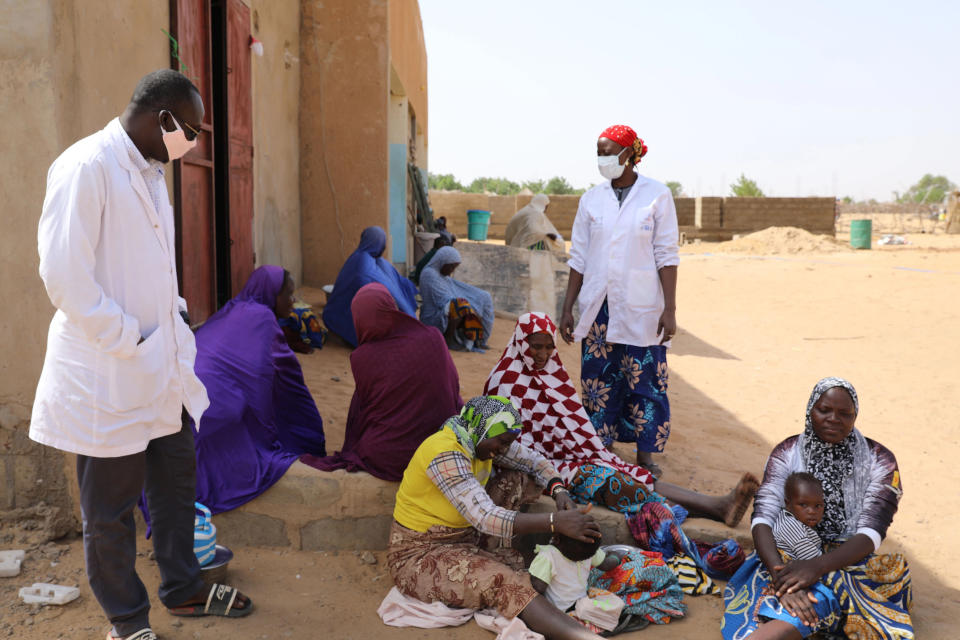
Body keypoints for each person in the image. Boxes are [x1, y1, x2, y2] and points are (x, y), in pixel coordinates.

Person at [31, 69, 251, 640]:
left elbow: (150, 264)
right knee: (109, 511)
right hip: (109, 371)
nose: (194, 143)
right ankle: (127, 622)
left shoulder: (151, 171)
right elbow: (63, 276)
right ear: (162, 120)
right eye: (192, 131)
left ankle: (183, 589)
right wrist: (128, 336)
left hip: (160, 367)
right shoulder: (88, 167)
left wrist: (172, 313)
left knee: (176, 485)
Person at [484, 313, 758, 529]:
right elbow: (514, 448)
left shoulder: (550, 372)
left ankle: (717, 505)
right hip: (536, 468)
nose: (543, 354)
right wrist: (557, 474)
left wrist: (592, 453)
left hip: (569, 458)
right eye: (535, 347)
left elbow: (572, 423)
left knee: (625, 469)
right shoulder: (505, 381)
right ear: (521, 343)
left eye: (547, 347)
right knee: (613, 482)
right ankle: (716, 507)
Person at [387, 396, 609, 640]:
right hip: (419, 553)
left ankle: (499, 570)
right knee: (502, 581)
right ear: (483, 430)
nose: (503, 450)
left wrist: (559, 491)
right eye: (502, 442)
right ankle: (584, 637)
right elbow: (484, 517)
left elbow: (536, 463)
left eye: (508, 444)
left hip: (467, 537)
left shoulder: (478, 438)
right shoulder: (443, 452)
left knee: (517, 478)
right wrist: (555, 522)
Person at [722, 378, 912, 640]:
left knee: (815, 602)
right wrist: (783, 579)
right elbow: (763, 517)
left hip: (848, 559)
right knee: (780, 601)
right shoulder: (787, 452)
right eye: (824, 410)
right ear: (810, 409)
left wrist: (815, 567)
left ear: (855, 415)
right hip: (784, 555)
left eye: (845, 413)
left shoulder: (880, 460)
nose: (834, 418)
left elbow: (872, 531)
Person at [559, 125, 678, 477]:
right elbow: (578, 257)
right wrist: (567, 307)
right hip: (599, 307)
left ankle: (646, 458)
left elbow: (666, 254)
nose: (601, 159)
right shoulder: (591, 200)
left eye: (608, 151)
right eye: (598, 151)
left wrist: (670, 308)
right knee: (599, 380)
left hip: (642, 308)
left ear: (629, 154)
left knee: (646, 381)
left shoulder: (657, 195)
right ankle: (602, 448)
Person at [192, 265, 326, 513]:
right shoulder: (263, 319)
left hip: (185, 404)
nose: (292, 300)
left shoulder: (231, 308)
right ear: (271, 293)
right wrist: (307, 433)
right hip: (213, 410)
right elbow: (285, 378)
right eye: (288, 293)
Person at [302, 283, 462, 481]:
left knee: (361, 405)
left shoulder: (362, 357)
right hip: (441, 448)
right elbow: (453, 389)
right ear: (391, 309)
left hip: (390, 459)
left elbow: (369, 408)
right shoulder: (433, 337)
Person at [322, 226, 418, 347]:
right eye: (383, 242)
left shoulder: (364, 257)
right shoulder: (364, 267)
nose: (384, 247)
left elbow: (393, 280)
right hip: (343, 317)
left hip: (336, 313)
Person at [419, 246, 494, 352]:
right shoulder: (429, 274)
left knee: (483, 297)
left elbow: (454, 291)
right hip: (433, 316)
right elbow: (441, 300)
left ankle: (479, 340)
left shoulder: (443, 276)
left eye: (454, 267)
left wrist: (473, 303)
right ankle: (448, 339)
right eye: (451, 267)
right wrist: (467, 305)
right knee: (460, 305)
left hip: (445, 309)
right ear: (442, 261)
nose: (452, 271)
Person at [529, 533, 623, 611]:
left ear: (556, 539)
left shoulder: (547, 555)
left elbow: (538, 588)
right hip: (573, 608)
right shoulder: (588, 547)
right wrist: (616, 556)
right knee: (616, 604)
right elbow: (607, 564)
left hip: (563, 611)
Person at [772, 472, 825, 561]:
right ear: (788, 504)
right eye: (803, 505)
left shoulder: (794, 519)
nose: (812, 512)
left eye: (818, 506)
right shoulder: (791, 528)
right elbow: (814, 561)